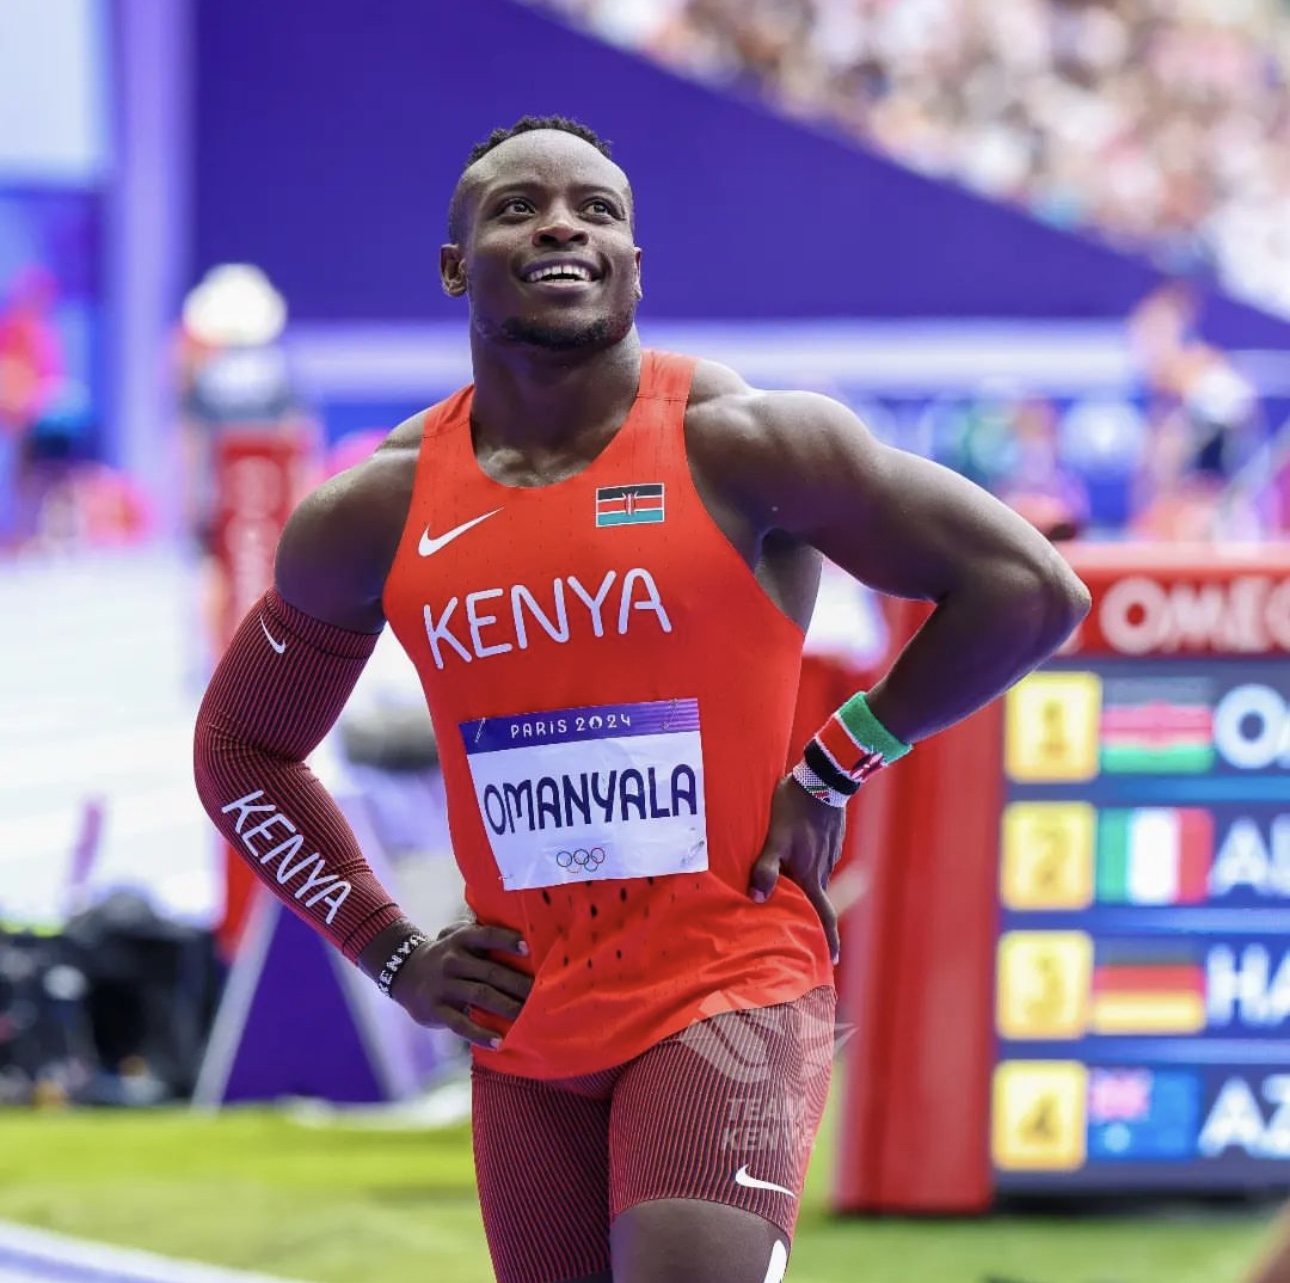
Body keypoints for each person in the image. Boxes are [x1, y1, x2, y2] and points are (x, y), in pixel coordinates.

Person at [193, 115, 1091, 1283]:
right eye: (519, 206)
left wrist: (832, 764)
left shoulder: (747, 444)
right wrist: (391, 947)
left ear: (634, 264)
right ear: (456, 266)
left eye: (599, 210)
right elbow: (241, 746)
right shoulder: (371, 511)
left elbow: (1027, 587)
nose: (563, 222)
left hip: (729, 981)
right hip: (525, 1023)